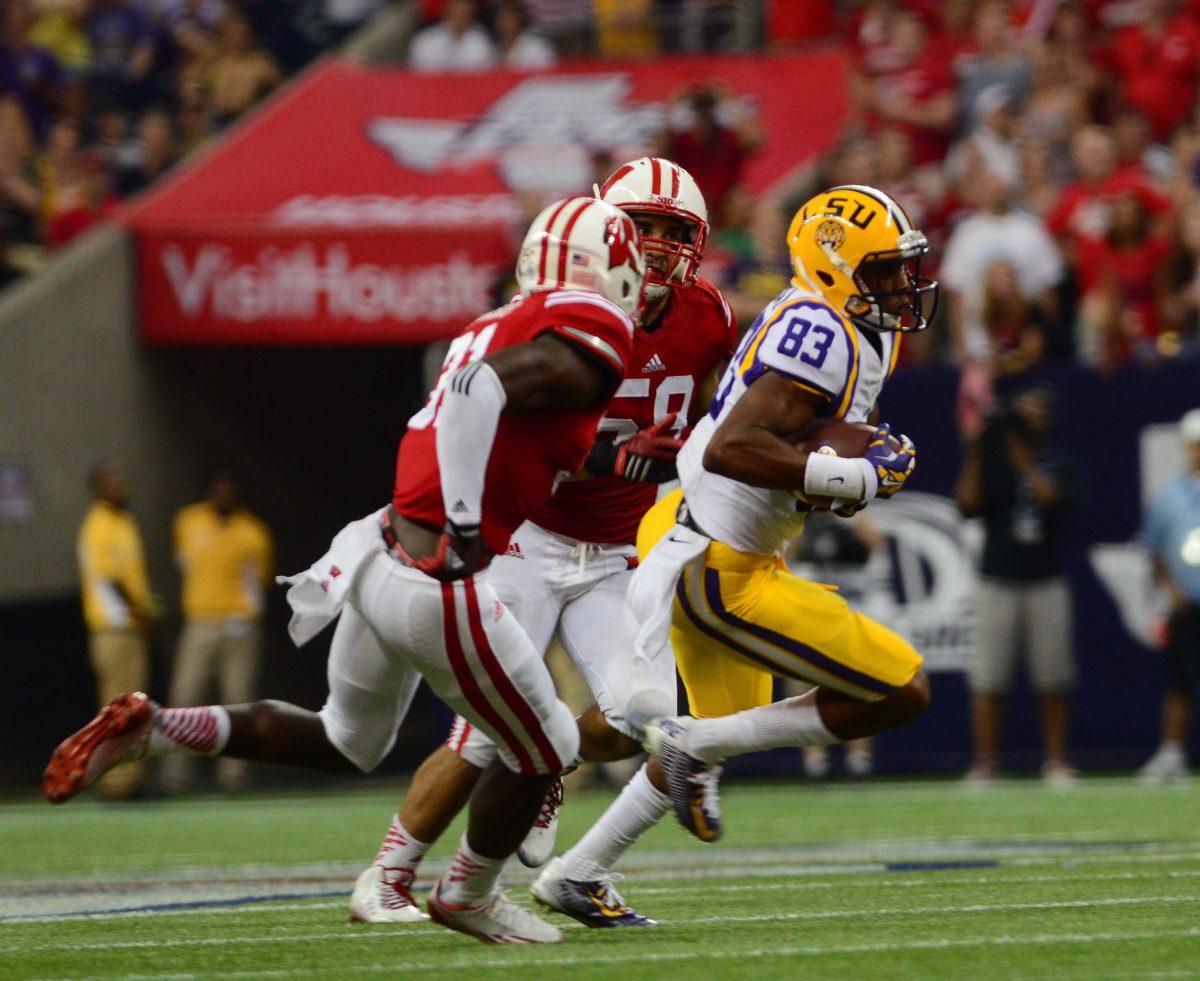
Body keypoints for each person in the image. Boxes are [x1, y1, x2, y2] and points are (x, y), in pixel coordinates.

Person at [43, 195, 648, 945]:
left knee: (344, 739)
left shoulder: (498, 320)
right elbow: (474, 392)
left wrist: (614, 459)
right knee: (550, 745)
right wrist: (463, 522)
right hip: (434, 573)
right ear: (610, 267)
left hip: (377, 549)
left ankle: (160, 728)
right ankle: (468, 893)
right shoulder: (597, 322)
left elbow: (503, 419)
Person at [350, 157, 736, 928]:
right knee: (486, 734)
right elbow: (501, 417)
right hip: (530, 537)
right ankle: (384, 877)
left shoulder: (712, 317)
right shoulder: (567, 310)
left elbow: (708, 417)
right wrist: (618, 457)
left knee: (641, 711)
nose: (656, 246)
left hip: (618, 549)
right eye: (643, 227)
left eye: (673, 231)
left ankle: (541, 784)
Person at [540, 186, 933, 918]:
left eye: (900, 269)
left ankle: (576, 870)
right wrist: (847, 472)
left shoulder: (854, 323)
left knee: (700, 743)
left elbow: (811, 435)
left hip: (715, 542)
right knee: (903, 689)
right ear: (836, 267)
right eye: (882, 271)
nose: (899, 287)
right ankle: (626, 746)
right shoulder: (817, 329)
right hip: (715, 562)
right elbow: (732, 446)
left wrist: (855, 468)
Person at [955, 386, 1079, 788]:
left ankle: (1056, 762)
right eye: (1023, 412)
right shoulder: (992, 458)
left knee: (1053, 677)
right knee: (989, 677)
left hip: (1045, 579)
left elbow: (1052, 500)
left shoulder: (1059, 461)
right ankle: (984, 764)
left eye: (1035, 412)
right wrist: (978, 449)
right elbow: (967, 505)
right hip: (997, 578)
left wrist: (1024, 462)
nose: (1029, 419)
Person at [163, 469, 273, 793]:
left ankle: (233, 776)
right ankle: (176, 776)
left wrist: (245, 615)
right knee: (185, 697)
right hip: (200, 622)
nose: (224, 495)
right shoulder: (188, 522)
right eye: (219, 489)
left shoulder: (253, 532)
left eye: (230, 490)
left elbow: (259, 582)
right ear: (209, 492)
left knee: (237, 702)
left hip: (239, 626)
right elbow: (184, 563)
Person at [75, 460, 157, 800]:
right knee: (116, 709)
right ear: (98, 489)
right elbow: (111, 578)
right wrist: (141, 609)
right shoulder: (98, 526)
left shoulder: (124, 523)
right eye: (115, 483)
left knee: (134, 709)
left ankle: (129, 778)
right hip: (112, 628)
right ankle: (115, 783)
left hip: (129, 628)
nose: (123, 488)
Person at [1139, 408, 1200, 783]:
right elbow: (1154, 552)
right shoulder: (1168, 497)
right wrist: (1173, 591)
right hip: (1187, 606)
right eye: (1196, 446)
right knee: (1180, 681)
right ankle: (1172, 752)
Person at [408, 0, 497, 73]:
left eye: (464, 12)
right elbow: (419, 70)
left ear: (471, 15)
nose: (460, 16)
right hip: (434, 89)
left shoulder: (482, 41)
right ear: (447, 12)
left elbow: (486, 72)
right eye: (456, 12)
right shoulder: (427, 39)